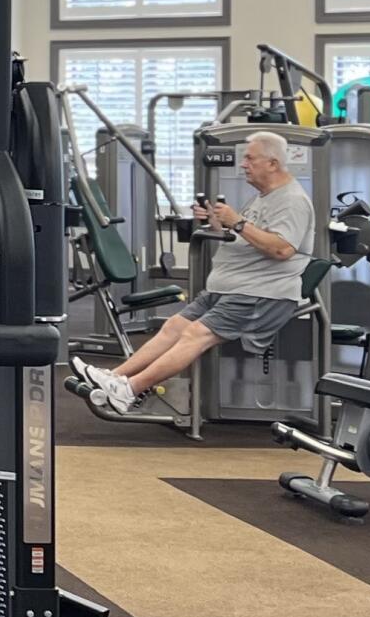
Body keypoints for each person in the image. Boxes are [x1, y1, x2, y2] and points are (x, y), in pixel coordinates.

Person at [75, 130, 317, 416]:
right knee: (173, 327)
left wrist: (237, 222)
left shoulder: (292, 200)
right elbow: (244, 238)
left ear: (273, 164)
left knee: (193, 334)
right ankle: (115, 377)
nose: (243, 165)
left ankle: (129, 391)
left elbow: (281, 249)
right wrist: (217, 223)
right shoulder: (262, 198)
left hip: (260, 293)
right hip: (228, 288)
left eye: (250, 159)